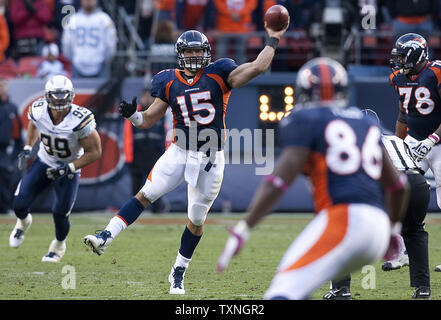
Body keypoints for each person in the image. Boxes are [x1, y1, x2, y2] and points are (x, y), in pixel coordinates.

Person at [83, 22, 289, 295]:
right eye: (189, 52)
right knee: (145, 194)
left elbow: (257, 67)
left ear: (206, 52)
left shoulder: (220, 73)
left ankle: (178, 270)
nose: (194, 57)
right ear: (180, 54)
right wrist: (132, 114)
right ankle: (105, 236)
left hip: (211, 159)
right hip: (179, 153)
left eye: (198, 51)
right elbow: (146, 121)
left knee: (196, 220)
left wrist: (273, 39)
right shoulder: (167, 81)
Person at [216, 57, 410, 300]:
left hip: (344, 219)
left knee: (281, 292)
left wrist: (244, 229)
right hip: (378, 228)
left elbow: (278, 183)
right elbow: (398, 186)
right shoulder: (366, 122)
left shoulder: (305, 119)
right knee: (300, 287)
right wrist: (392, 230)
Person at [322, 109, 431, 300]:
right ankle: (423, 289)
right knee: (415, 233)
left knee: (341, 231)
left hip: (389, 184)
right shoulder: (397, 140)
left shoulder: (359, 140)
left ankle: (340, 289)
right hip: (419, 184)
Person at [9, 75, 102, 263]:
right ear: (47, 96)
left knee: (60, 214)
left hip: (68, 169)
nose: (59, 100)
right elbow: (34, 125)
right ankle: (24, 222)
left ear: (71, 95)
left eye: (63, 95)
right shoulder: (38, 110)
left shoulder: (79, 120)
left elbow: (95, 152)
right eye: (55, 95)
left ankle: (58, 247)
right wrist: (28, 148)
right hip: (44, 161)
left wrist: (69, 167)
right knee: (19, 204)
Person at [389, 32, 441, 271]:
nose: (398, 62)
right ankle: (400, 252)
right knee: (397, 192)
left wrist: (432, 139)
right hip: (413, 141)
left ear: (415, 54)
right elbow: (403, 113)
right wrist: (398, 145)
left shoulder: (436, 73)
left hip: (438, 144)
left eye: (402, 57)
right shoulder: (398, 78)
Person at [123, 87, 169, 213]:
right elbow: (127, 137)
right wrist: (129, 157)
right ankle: (133, 210)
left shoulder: (160, 115)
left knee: (155, 183)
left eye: (150, 97)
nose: (147, 99)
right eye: (145, 96)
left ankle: (157, 208)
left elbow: (164, 136)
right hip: (138, 154)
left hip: (154, 154)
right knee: (136, 185)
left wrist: (163, 155)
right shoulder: (134, 114)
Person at [61, 0, 117, 78]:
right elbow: (66, 43)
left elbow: (111, 44)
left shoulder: (105, 19)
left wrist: (106, 60)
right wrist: (73, 60)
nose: (88, 1)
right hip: (77, 65)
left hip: (100, 65)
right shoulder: (73, 20)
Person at [0, 77, 22, 213]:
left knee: (7, 177)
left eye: (3, 85)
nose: (1, 88)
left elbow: (18, 133)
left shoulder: (12, 108)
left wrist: (16, 154)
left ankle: (6, 207)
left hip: (5, 150)